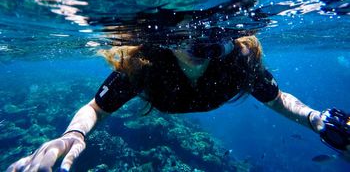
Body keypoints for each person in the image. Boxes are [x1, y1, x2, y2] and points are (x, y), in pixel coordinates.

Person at [7, 36, 350, 172]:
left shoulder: (237, 64)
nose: (193, 37)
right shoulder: (145, 66)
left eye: (207, 29)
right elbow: (96, 108)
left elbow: (277, 99)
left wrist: (315, 119)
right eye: (178, 23)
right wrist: (74, 135)